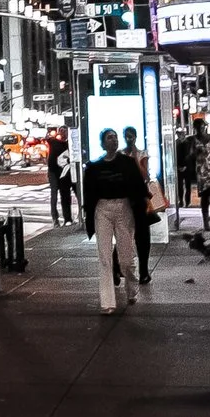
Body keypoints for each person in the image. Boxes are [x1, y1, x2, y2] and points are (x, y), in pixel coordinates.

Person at [82, 128, 148, 314]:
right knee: (104, 256)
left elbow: (138, 187)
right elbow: (89, 194)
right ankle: (107, 302)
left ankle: (131, 286)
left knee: (126, 258)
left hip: (124, 207)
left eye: (115, 137)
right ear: (103, 143)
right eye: (109, 138)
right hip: (102, 209)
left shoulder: (127, 163)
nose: (114, 140)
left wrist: (140, 208)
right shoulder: (95, 168)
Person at [121, 126, 155, 283]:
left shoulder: (142, 153)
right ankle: (119, 268)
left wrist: (134, 155)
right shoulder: (121, 154)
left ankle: (144, 271)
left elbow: (144, 175)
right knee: (124, 234)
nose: (129, 139)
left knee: (142, 236)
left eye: (132, 136)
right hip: (124, 198)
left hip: (140, 198)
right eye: (127, 136)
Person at [188, 119, 210, 230]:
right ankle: (206, 222)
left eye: (202, 127)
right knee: (204, 197)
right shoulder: (193, 139)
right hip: (202, 172)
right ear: (195, 128)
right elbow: (190, 154)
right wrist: (195, 153)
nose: (201, 129)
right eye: (198, 127)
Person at [47, 130, 75, 225]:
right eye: (61, 131)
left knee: (66, 195)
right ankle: (55, 218)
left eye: (65, 131)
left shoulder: (69, 143)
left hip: (66, 172)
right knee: (55, 194)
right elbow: (48, 138)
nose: (63, 133)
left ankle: (69, 218)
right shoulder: (54, 142)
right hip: (54, 172)